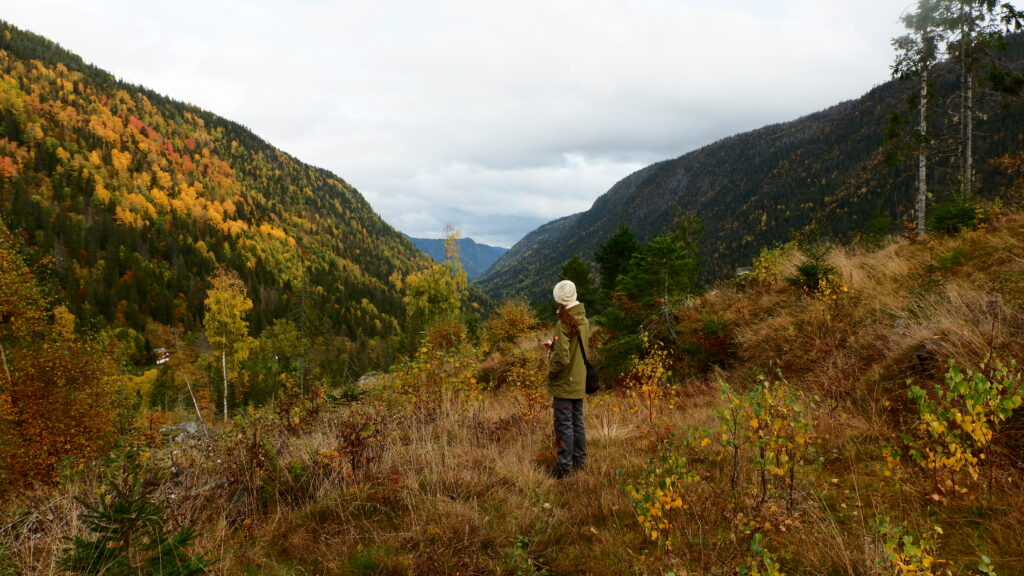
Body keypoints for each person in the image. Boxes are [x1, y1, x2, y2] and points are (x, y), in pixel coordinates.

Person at [543, 279, 590, 479]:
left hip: (564, 383)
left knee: (564, 426)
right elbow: (573, 348)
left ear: (559, 299)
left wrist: (551, 373)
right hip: (579, 380)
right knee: (577, 422)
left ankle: (564, 468)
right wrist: (554, 345)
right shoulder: (583, 320)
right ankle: (580, 461)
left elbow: (562, 358)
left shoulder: (563, 323)